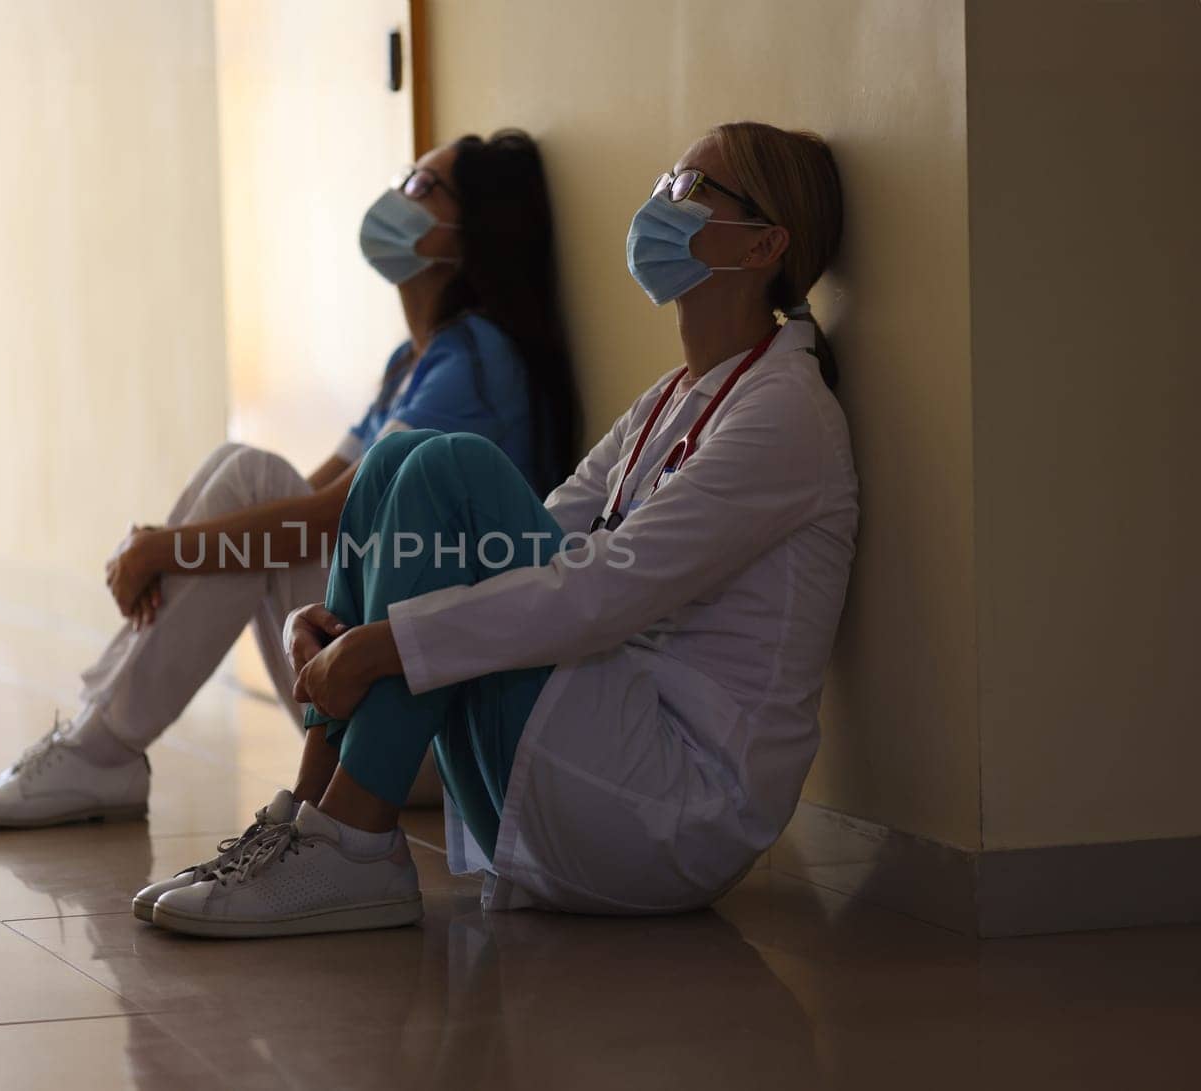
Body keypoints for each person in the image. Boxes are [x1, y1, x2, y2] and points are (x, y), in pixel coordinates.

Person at [137, 120, 860, 937]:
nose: (658, 204)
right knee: (397, 460)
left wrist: (378, 645)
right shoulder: (672, 396)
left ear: (764, 244)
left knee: (454, 468)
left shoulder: (786, 412)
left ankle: (356, 844)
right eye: (663, 182)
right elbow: (542, 538)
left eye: (688, 191)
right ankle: (313, 820)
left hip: (671, 807)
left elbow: (603, 591)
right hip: (592, 754)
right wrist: (347, 624)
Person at [0, 130, 580, 829]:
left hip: (434, 726)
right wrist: (182, 541)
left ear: (472, 232)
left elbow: (321, 516)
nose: (397, 198)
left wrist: (169, 548)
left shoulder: (480, 362)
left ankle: (102, 749)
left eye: (423, 188)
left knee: (248, 481)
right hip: (370, 692)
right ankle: (100, 741)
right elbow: (306, 497)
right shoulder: (413, 361)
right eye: (403, 178)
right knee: (244, 474)